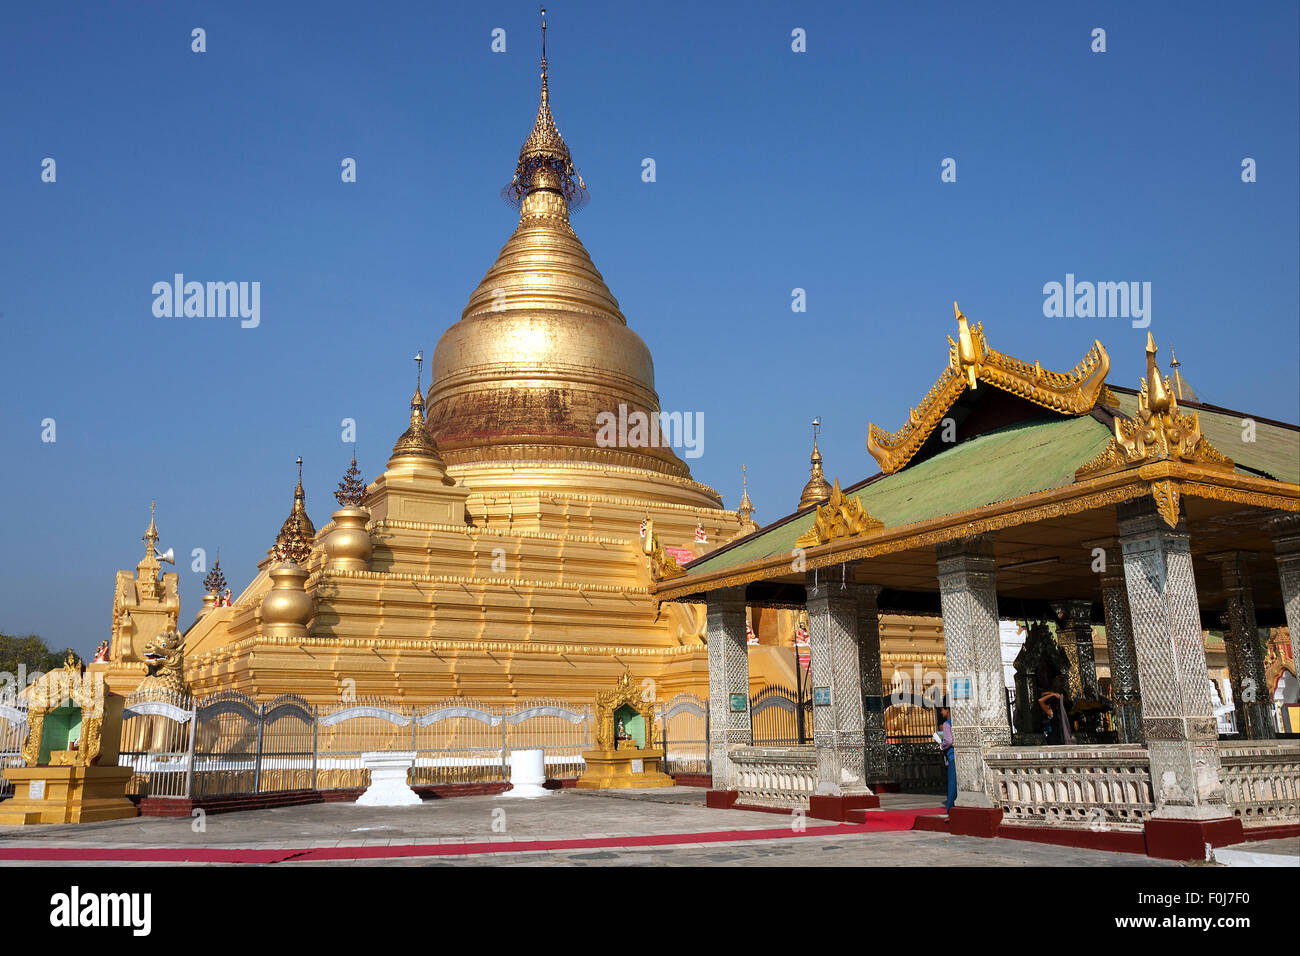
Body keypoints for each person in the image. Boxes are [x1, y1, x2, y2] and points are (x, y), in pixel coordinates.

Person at [938, 705, 956, 814]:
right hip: (961, 755)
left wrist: (941, 745)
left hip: (952, 755)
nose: (941, 712)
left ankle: (950, 807)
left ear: (947, 710)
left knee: (952, 782)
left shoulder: (947, 724)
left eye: (942, 710)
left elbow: (949, 741)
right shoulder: (957, 722)